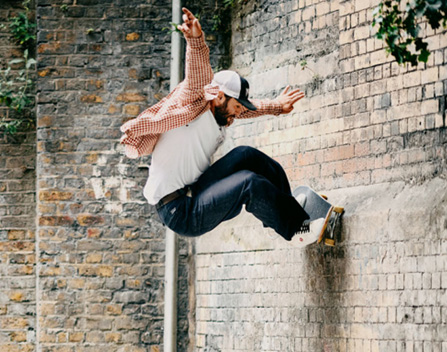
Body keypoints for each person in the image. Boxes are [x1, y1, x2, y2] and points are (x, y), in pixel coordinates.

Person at [119, 7, 322, 246]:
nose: (239, 111)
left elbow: (250, 108)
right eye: (237, 105)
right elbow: (197, 75)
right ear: (219, 97)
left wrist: (277, 105)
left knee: (247, 155)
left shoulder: (222, 112)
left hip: (196, 189)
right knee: (249, 183)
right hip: (179, 210)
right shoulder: (193, 103)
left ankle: (285, 210)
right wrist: (196, 41)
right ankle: (297, 230)